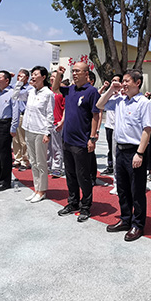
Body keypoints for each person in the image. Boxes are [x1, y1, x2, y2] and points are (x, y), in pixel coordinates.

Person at [97, 70, 151, 242]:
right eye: (123, 80)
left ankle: (138, 224)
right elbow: (99, 105)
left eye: (127, 81)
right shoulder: (120, 100)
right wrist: (111, 90)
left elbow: (147, 130)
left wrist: (140, 153)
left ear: (137, 83)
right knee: (122, 188)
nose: (123, 84)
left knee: (137, 190)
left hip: (135, 151)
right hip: (120, 150)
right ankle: (125, 219)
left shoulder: (144, 103)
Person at [52, 63, 101, 222]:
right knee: (70, 174)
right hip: (67, 139)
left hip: (81, 142)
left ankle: (85, 206)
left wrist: (92, 137)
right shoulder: (70, 89)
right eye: (73, 71)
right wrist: (59, 74)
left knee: (83, 176)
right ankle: (73, 202)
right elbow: (55, 88)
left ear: (86, 74)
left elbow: (95, 115)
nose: (74, 73)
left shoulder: (92, 92)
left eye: (77, 71)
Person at [14, 66, 55, 202]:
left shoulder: (48, 94)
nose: (33, 76)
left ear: (43, 77)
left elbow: (50, 114)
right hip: (29, 129)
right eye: (32, 74)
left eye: (36, 74)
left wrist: (47, 132)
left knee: (40, 162)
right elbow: (15, 96)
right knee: (33, 161)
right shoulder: (31, 91)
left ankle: (42, 190)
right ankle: (36, 189)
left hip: (40, 131)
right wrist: (19, 82)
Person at [102, 74, 123, 176]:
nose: (114, 82)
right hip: (109, 126)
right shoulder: (109, 95)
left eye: (116, 80)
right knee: (111, 148)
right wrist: (107, 89)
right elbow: (99, 103)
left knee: (117, 150)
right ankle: (110, 166)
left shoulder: (122, 96)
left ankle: (118, 170)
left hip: (117, 127)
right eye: (112, 80)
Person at [48, 70, 65, 178]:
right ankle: (48, 166)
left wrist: (62, 121)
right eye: (51, 76)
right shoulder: (47, 91)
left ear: (60, 79)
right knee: (47, 148)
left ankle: (57, 168)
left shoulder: (62, 92)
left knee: (57, 147)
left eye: (54, 76)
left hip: (57, 123)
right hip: (47, 124)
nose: (52, 78)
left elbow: (66, 108)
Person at [12, 69, 31, 171]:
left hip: (24, 115)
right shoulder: (15, 87)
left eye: (21, 76)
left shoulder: (29, 88)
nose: (19, 78)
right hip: (15, 115)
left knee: (24, 140)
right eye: (18, 76)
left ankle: (25, 160)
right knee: (15, 139)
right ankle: (17, 158)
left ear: (27, 78)